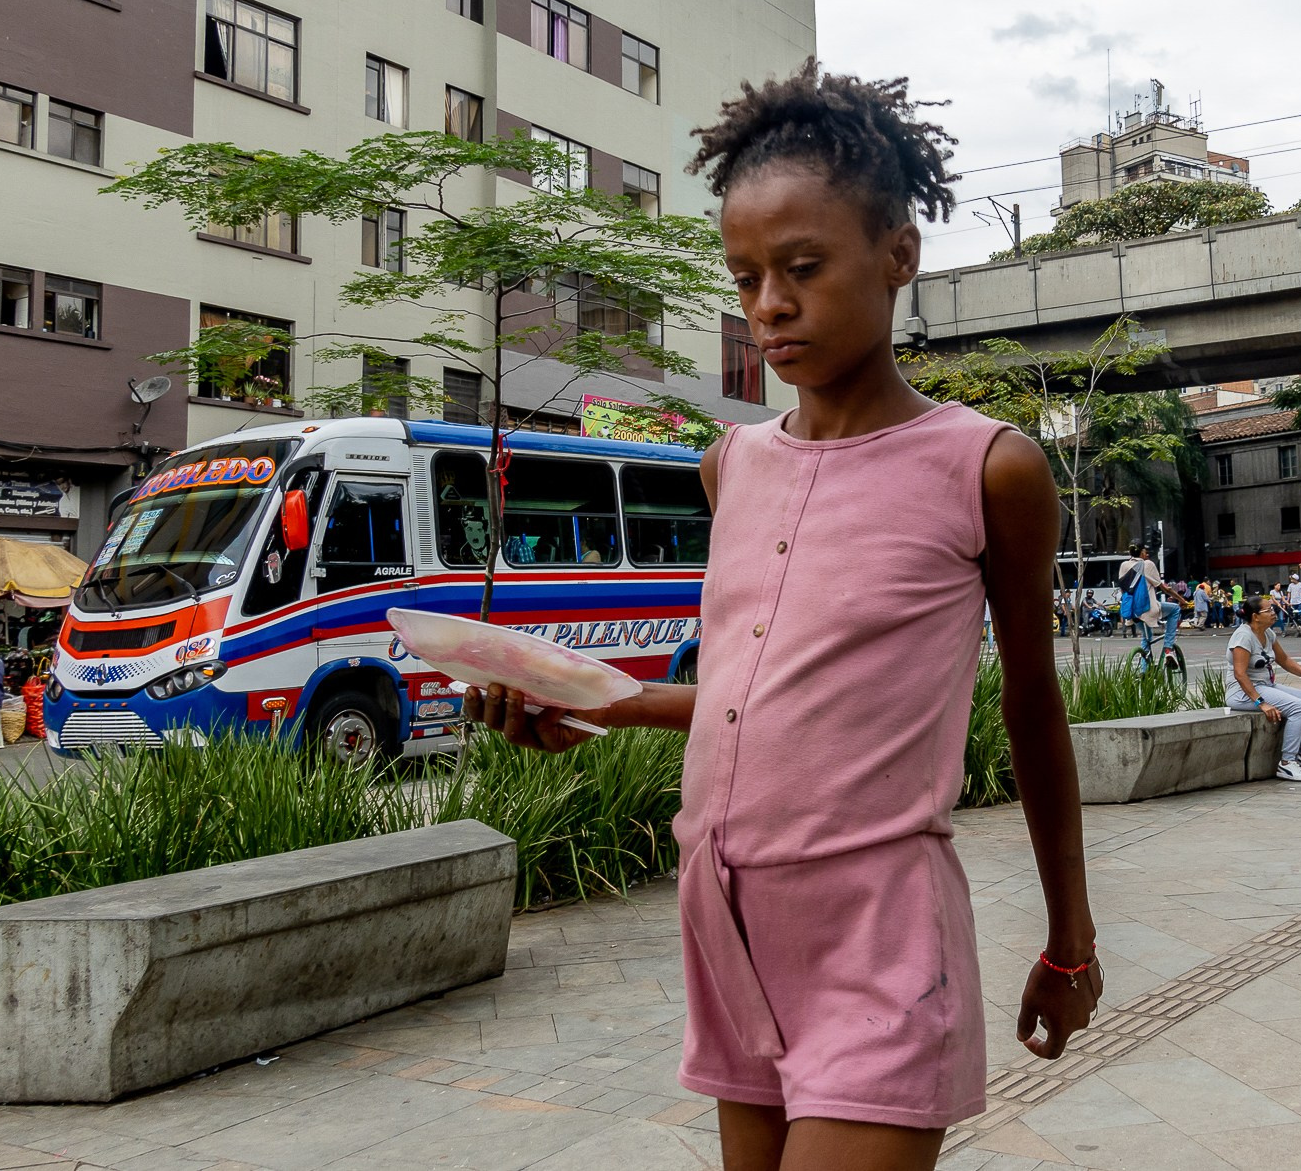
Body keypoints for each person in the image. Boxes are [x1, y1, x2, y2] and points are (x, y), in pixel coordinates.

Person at [464, 61, 1100, 1168]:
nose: (768, 304)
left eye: (802, 267)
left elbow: (1033, 708)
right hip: (722, 923)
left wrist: (1070, 934)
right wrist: (593, 702)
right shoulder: (730, 465)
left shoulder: (986, 467)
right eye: (746, 274)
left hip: (876, 930)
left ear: (898, 253)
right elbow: (752, 700)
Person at [1226, 596, 1301, 781]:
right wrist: (1261, 703)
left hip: (1264, 686)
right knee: (1299, 707)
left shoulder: (1268, 633)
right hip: (1242, 693)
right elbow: (1240, 674)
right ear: (1255, 616)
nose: (1274, 613)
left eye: (1273, 609)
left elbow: (1284, 660)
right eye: (1269, 610)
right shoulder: (1243, 636)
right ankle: (1287, 763)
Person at [1118, 543, 1179, 659]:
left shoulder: (1124, 565)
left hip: (1132, 611)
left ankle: (1144, 672)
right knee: (1175, 609)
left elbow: (1123, 588)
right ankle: (1168, 648)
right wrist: (1182, 600)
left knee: (1146, 638)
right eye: (1146, 552)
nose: (1147, 554)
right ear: (1141, 553)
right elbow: (1165, 589)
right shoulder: (1148, 564)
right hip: (1148, 608)